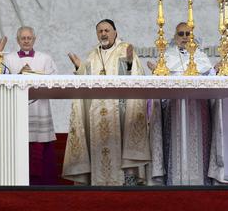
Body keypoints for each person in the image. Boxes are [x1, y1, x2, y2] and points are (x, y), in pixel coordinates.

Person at [62, 18, 161, 185]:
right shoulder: (93, 55)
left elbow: (134, 76)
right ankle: (96, 180)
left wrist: (129, 63)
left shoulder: (125, 50)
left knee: (124, 138)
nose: (103, 34)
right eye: (100, 31)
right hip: (96, 112)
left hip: (120, 109)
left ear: (115, 32)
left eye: (107, 30)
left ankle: (128, 179)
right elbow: (87, 81)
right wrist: (80, 68)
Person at [148, 22, 223, 185]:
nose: (184, 37)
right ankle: (173, 182)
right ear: (175, 37)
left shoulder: (201, 57)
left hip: (198, 109)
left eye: (187, 34)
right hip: (174, 111)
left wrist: (214, 71)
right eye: (180, 34)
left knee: (199, 146)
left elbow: (208, 80)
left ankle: (201, 182)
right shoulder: (167, 57)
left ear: (192, 37)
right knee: (174, 145)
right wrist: (156, 72)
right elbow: (163, 82)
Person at [2, 26, 58, 184]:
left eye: (29, 38)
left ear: (34, 39)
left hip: (40, 107)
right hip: (17, 109)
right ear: (18, 40)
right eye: (23, 38)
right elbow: (2, 82)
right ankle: (17, 179)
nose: (26, 41)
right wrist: (19, 76)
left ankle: (43, 181)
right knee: (19, 142)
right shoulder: (9, 59)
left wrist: (34, 76)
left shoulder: (45, 58)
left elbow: (54, 80)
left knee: (40, 142)